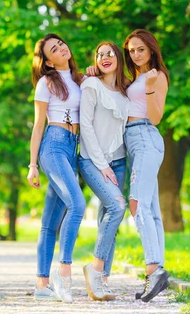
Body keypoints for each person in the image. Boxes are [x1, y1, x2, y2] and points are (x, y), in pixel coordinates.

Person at [27, 33, 86, 303]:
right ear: (48, 62)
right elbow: (39, 125)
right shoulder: (46, 83)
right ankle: (63, 273)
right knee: (77, 205)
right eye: (54, 48)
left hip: (72, 148)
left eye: (62, 43)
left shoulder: (78, 80)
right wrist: (32, 165)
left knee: (50, 223)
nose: (62, 47)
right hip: (53, 146)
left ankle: (42, 284)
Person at [78, 42, 130, 301]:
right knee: (118, 206)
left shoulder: (125, 91)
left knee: (108, 218)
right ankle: (95, 270)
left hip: (119, 161)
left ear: (119, 58)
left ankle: (103, 282)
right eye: (99, 54)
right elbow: (85, 127)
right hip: (92, 160)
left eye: (110, 53)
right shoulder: (91, 85)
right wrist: (102, 165)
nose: (105, 57)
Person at [123, 29, 170, 302]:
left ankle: (153, 268)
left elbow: (155, 117)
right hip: (135, 142)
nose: (136, 54)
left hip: (145, 137)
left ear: (151, 49)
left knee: (137, 204)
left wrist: (151, 87)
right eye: (131, 50)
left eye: (140, 49)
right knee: (151, 211)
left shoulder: (157, 76)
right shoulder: (137, 78)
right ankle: (157, 271)